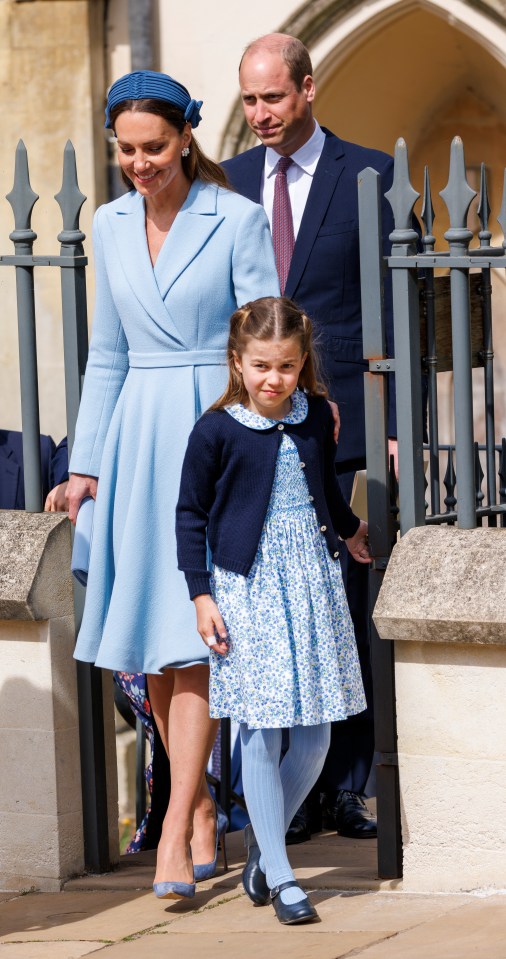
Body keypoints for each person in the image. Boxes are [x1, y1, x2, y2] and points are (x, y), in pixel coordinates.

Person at [65, 69, 279, 900]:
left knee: (199, 643)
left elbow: (265, 345)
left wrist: (258, 441)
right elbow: (108, 354)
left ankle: (172, 828)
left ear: (186, 137)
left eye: (154, 147)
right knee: (158, 650)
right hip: (134, 443)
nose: (139, 164)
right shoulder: (110, 225)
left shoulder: (238, 218)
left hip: (213, 430)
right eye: (126, 150)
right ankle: (194, 813)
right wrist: (85, 467)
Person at [222, 33, 398, 841]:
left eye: (274, 98)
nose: (260, 114)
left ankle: (348, 788)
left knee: (351, 612)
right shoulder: (221, 185)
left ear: (308, 90)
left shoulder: (370, 174)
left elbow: (400, 303)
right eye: (250, 100)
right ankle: (284, 797)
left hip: (351, 427)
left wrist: (397, 424)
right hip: (257, 432)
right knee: (275, 613)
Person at [176, 296, 370, 924]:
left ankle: (265, 841)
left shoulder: (316, 418)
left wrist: (350, 529)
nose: (273, 379)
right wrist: (201, 594)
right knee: (262, 732)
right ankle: (284, 879)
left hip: (311, 581)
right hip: (247, 587)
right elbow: (190, 516)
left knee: (313, 739)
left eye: (286, 366)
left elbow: (324, 490)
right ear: (238, 362)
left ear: (302, 362)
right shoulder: (216, 430)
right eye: (261, 365)